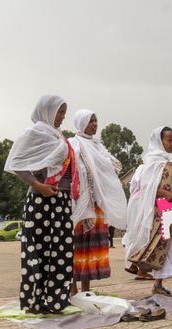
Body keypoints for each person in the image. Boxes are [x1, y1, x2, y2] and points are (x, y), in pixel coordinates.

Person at [5, 95, 78, 314]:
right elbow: (17, 164)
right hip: (40, 201)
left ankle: (55, 301)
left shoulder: (59, 137)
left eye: (64, 113)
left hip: (61, 201)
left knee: (61, 252)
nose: (62, 117)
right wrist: (39, 186)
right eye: (59, 112)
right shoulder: (34, 133)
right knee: (37, 251)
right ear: (47, 110)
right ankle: (33, 303)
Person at [124, 126, 172, 301]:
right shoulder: (150, 164)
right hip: (158, 215)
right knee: (167, 248)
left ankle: (159, 285)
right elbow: (145, 188)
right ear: (159, 140)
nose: (171, 144)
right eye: (168, 140)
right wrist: (166, 194)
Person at [69, 109, 128, 295]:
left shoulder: (98, 146)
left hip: (97, 205)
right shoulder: (73, 144)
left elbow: (115, 167)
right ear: (81, 123)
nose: (95, 124)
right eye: (91, 120)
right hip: (80, 204)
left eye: (96, 120)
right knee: (76, 247)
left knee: (91, 248)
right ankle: (72, 290)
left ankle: (86, 290)